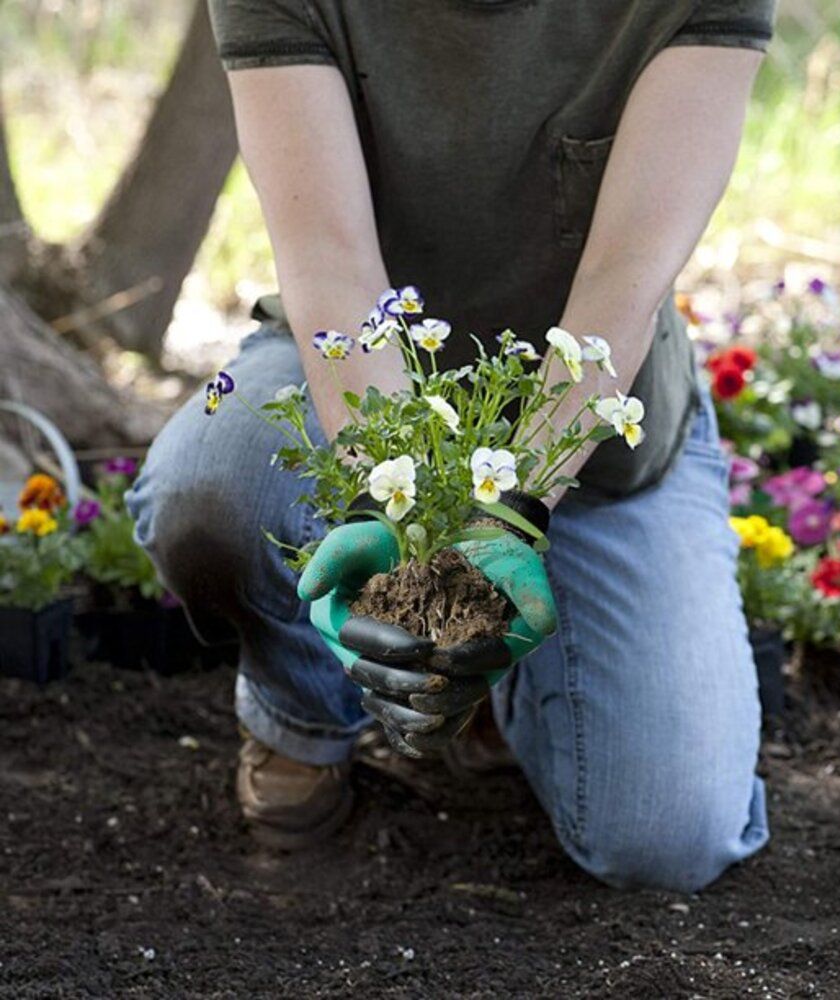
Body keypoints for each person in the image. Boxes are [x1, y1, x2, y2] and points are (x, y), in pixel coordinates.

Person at [126, 0, 774, 891]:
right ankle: (304, 717)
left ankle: (494, 695)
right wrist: (391, 514)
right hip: (356, 370)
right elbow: (330, 266)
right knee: (213, 490)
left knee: (666, 839)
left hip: (591, 428)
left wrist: (506, 515)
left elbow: (623, 280)